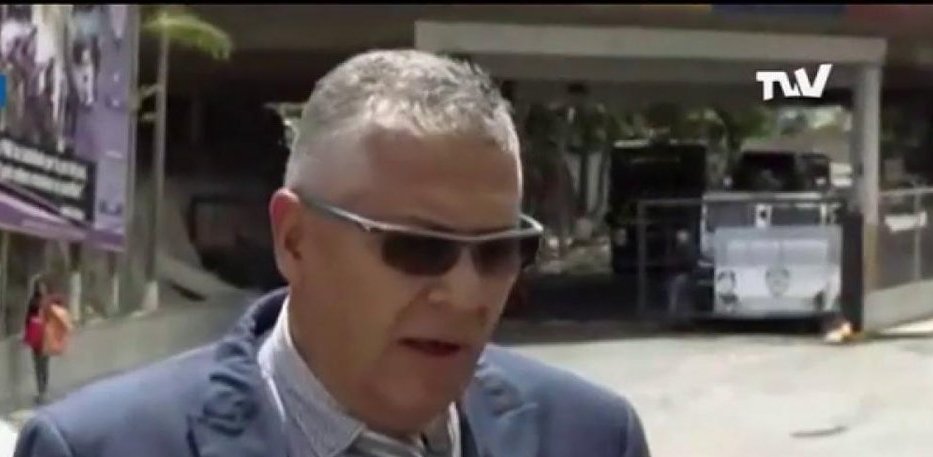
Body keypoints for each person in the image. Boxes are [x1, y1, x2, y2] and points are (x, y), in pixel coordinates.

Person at [14, 49, 652, 457]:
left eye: (498, 252)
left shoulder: (593, 438)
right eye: (417, 247)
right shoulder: (101, 449)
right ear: (295, 239)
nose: (467, 294)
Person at [21, 277, 72, 405]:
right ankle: (41, 391)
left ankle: (43, 390)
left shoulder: (48, 302)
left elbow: (58, 312)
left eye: (43, 287)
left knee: (44, 365)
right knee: (39, 365)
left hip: (46, 336)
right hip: (38, 337)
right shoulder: (36, 302)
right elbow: (29, 318)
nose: (42, 289)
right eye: (40, 287)